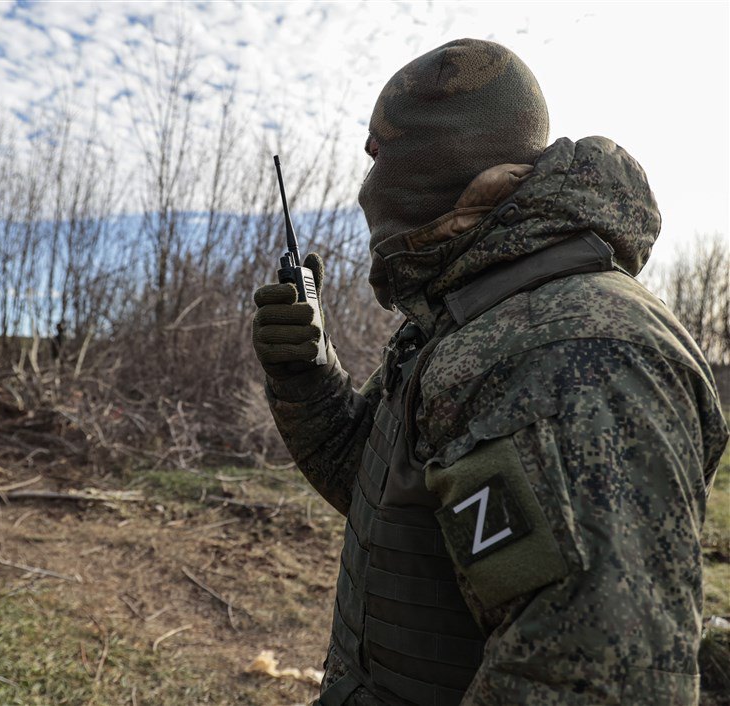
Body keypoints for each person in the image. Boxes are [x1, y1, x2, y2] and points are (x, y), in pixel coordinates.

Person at [251, 38, 728, 706]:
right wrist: (305, 373)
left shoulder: (569, 348)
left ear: (434, 159)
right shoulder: (471, 322)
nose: (367, 178)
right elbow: (382, 488)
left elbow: (587, 685)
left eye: (377, 151)